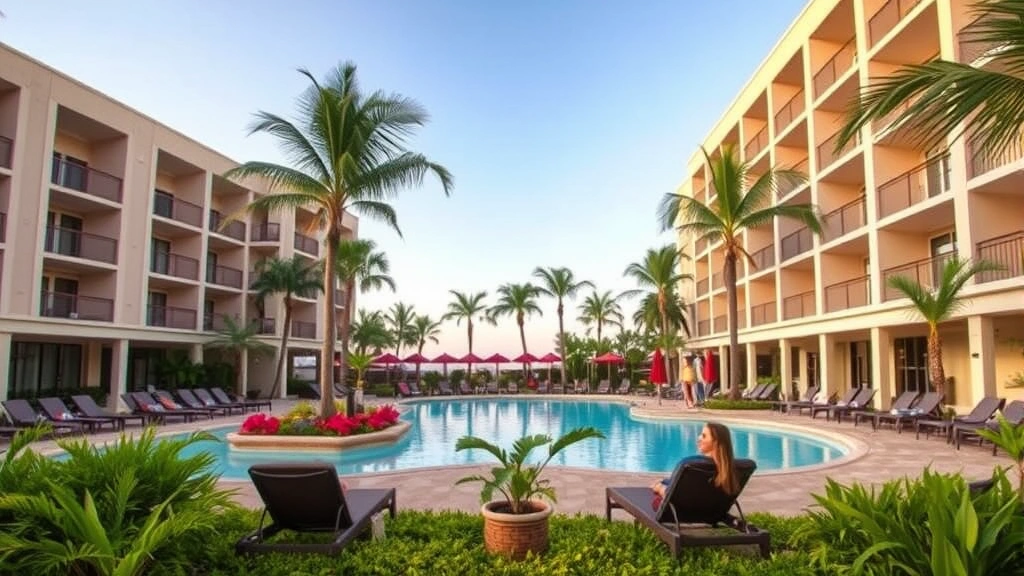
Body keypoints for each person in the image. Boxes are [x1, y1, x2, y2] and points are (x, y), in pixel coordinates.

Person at [650, 422, 740, 506]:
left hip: (682, 513)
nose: (699, 438)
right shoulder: (733, 469)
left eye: (704, 436)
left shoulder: (689, 465)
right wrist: (665, 482)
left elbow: (672, 495)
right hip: (712, 513)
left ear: (715, 442)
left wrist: (660, 488)